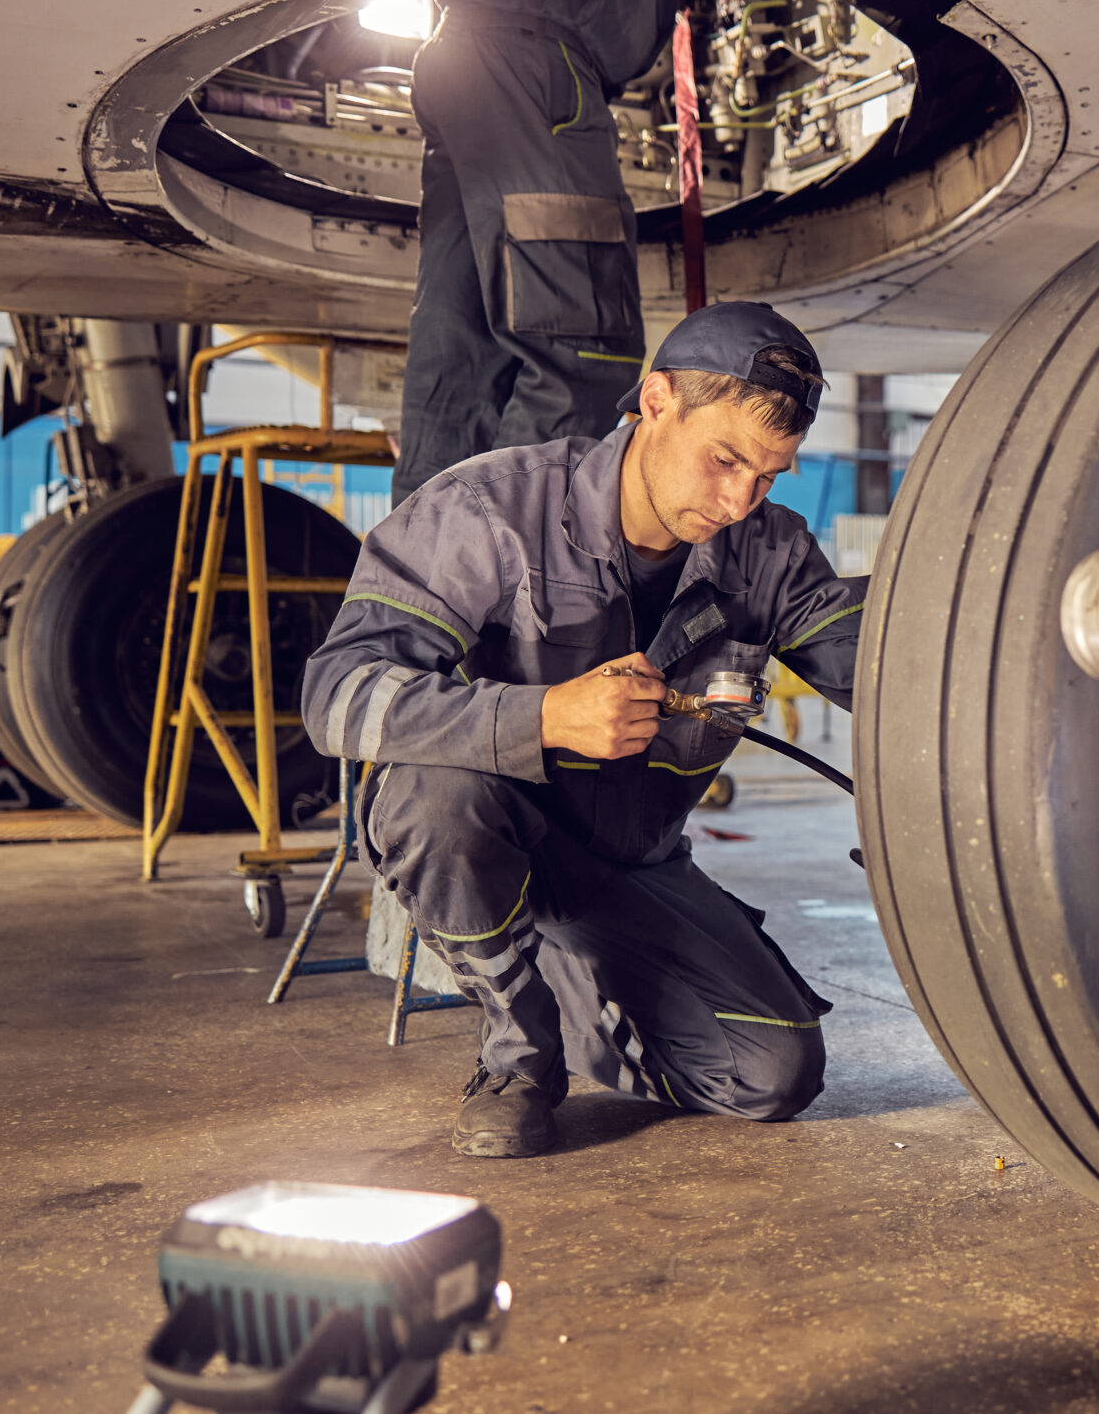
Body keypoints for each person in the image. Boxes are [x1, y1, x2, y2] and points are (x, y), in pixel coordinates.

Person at [303, 302, 866, 1157]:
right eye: (724, 459)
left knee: (773, 1073)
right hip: (494, 839)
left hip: (631, 868)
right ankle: (518, 1046)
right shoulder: (489, 512)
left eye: (770, 474)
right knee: (436, 790)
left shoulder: (768, 552)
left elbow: (891, 668)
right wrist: (542, 716)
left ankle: (567, 973)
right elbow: (335, 696)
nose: (739, 498)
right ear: (656, 400)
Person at [394, 0, 692, 502]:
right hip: (535, 63)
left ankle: (425, 584)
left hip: (470, 48)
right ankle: (502, 575)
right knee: (582, 350)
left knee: (466, 362)